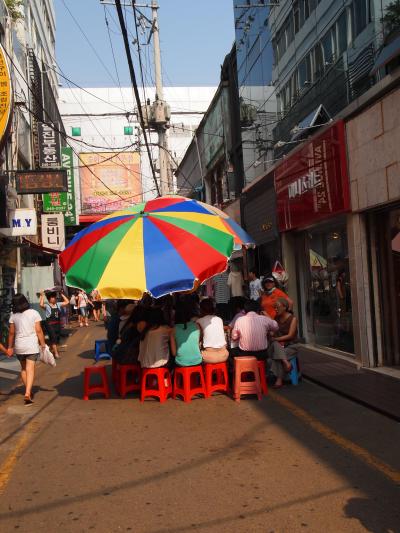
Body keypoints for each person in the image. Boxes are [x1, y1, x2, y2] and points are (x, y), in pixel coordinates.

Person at [7, 293, 46, 405]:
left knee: (23, 369)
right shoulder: (34, 313)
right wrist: (43, 343)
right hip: (31, 345)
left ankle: (28, 391)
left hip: (19, 346)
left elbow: (11, 333)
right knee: (30, 369)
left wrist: (10, 347)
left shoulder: (13, 316)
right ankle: (28, 393)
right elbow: (38, 330)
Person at [270, 298, 298, 388]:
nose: (276, 309)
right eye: (275, 308)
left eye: (277, 307)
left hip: (291, 345)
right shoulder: (276, 318)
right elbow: (274, 332)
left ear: (285, 307)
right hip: (279, 345)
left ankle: (279, 380)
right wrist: (271, 334)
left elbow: (290, 335)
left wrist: (276, 338)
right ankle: (286, 362)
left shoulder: (293, 319)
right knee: (275, 345)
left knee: (278, 355)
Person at [196, 298, 229, 363]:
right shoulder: (219, 319)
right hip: (224, 355)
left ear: (201, 310)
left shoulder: (199, 321)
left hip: (208, 357)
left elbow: (198, 338)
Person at [170, 302, 202, 367]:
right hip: (197, 361)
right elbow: (198, 344)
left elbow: (174, 353)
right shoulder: (197, 326)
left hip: (181, 362)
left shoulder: (173, 330)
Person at [39, 290, 69, 359]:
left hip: (57, 324)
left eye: (55, 297)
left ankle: (52, 349)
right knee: (53, 338)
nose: (55, 298)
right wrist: (42, 295)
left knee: (57, 338)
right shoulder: (47, 306)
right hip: (50, 325)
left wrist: (61, 294)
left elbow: (67, 302)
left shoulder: (58, 304)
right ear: (49, 299)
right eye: (53, 297)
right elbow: (41, 305)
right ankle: (56, 354)